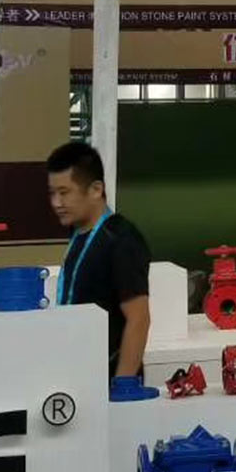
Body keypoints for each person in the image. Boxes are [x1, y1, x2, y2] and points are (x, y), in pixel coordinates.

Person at [47, 141, 152, 381]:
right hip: (80, 375)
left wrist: (122, 387)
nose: (56, 203)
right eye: (52, 193)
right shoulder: (78, 233)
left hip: (109, 382)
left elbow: (138, 319)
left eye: (64, 193)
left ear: (95, 189)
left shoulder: (122, 239)